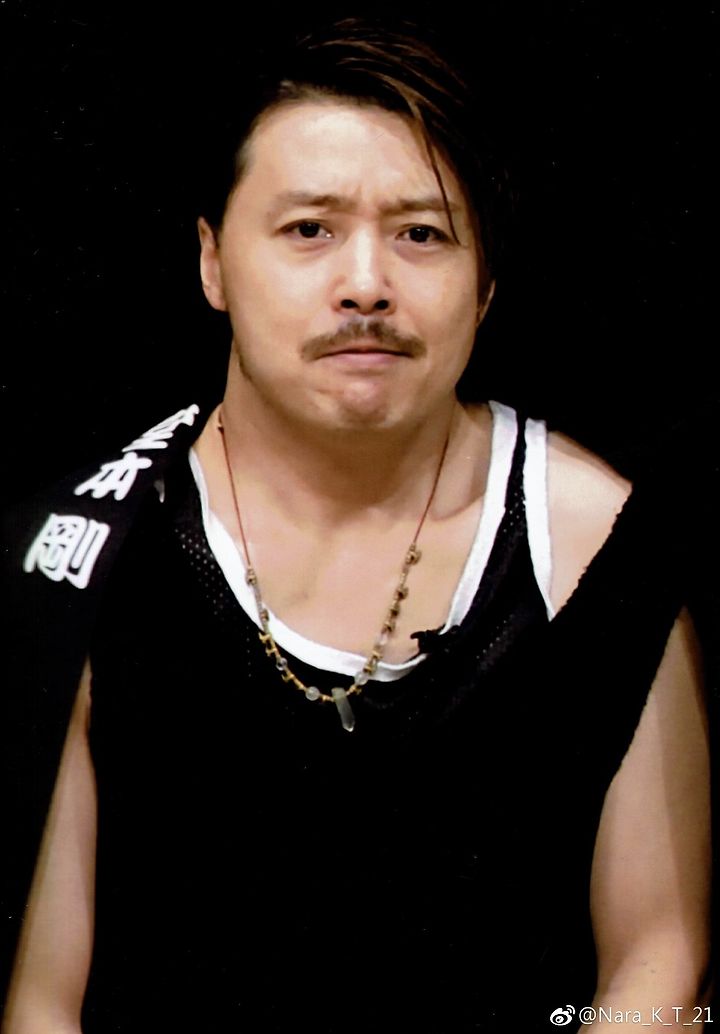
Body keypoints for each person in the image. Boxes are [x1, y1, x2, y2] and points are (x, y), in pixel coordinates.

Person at [1, 17, 711, 1033]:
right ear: (212, 262)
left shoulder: (596, 543)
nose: (367, 284)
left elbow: (658, 958)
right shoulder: (92, 551)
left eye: (422, 234)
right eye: (309, 230)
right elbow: (39, 998)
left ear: (487, 280)